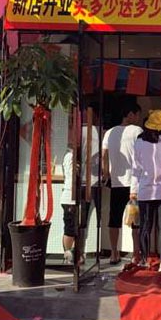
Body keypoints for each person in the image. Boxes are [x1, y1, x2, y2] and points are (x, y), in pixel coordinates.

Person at [130, 110, 161, 272]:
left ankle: (144, 260)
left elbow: (135, 169)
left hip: (145, 190)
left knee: (145, 226)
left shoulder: (139, 143)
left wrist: (133, 189)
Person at [101, 101, 143, 264]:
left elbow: (104, 155)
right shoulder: (137, 131)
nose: (138, 119)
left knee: (114, 219)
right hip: (134, 182)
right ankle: (136, 254)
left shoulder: (109, 132)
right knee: (135, 220)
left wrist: (106, 173)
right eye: (137, 115)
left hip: (116, 182)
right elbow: (142, 154)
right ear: (131, 114)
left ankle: (114, 253)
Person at [61, 113, 100, 265]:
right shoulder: (71, 157)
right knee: (70, 228)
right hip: (70, 196)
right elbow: (72, 177)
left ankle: (76, 254)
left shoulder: (73, 157)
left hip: (76, 194)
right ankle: (67, 255)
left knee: (77, 226)